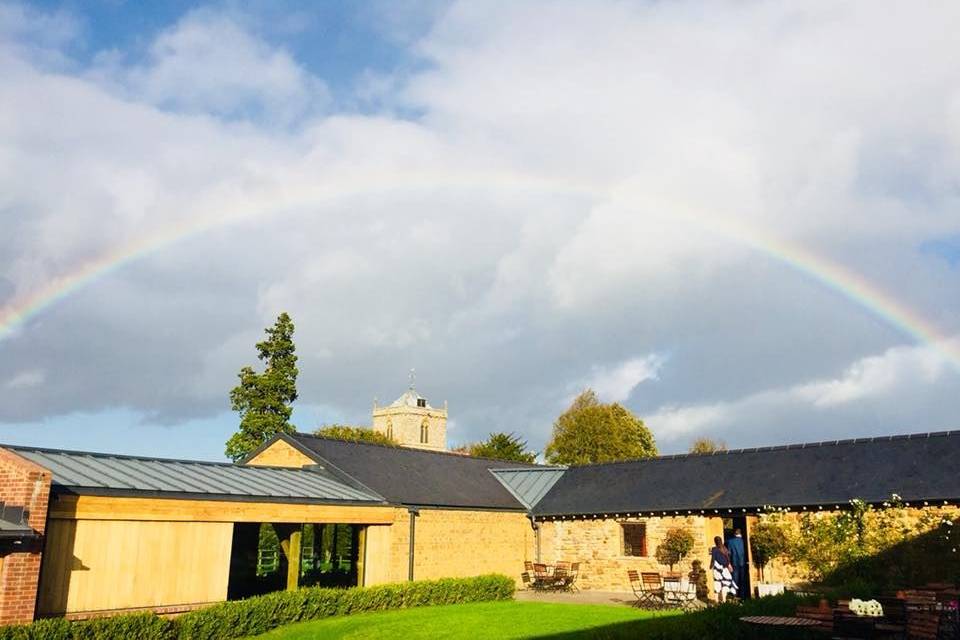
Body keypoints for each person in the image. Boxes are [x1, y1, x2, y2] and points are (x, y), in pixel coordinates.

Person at [710, 535, 737, 603]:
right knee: (725, 583)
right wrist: (729, 565)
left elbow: (713, 559)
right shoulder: (725, 549)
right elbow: (727, 559)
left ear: (715, 542)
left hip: (717, 569)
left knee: (717, 583)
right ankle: (724, 600)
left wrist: (711, 566)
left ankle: (716, 601)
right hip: (725, 569)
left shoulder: (714, 549)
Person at [727, 528, 746, 599]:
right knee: (743, 580)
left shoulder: (730, 541)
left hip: (734, 562)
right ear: (740, 533)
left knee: (735, 580)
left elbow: (729, 553)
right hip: (743, 562)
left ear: (734, 534)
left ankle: (735, 595)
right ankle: (743, 596)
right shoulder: (744, 541)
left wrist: (728, 563)